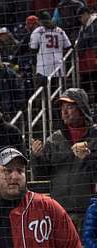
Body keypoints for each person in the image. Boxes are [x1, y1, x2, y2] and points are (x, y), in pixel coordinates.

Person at [31, 88, 97, 232]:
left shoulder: (95, 137)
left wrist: (89, 157)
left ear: (81, 108)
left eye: (70, 107)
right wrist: (36, 157)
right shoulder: (54, 139)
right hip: (59, 210)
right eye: (62, 109)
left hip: (90, 211)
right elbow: (41, 175)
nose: (64, 112)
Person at [30, 11, 72, 88]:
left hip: (43, 70)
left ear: (40, 21)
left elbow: (33, 50)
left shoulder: (38, 31)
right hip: (58, 68)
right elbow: (68, 47)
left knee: (45, 96)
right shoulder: (60, 30)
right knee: (58, 94)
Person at [77, 7, 97, 103]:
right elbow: (80, 44)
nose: (80, 19)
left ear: (86, 14)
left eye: (80, 16)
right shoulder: (83, 27)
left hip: (93, 58)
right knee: (85, 85)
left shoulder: (94, 23)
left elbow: (91, 40)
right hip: (86, 61)